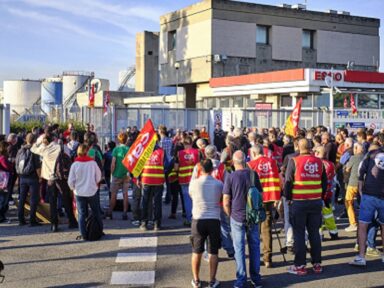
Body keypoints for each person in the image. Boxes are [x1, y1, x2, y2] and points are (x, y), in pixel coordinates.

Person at [284, 139, 327, 275]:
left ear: (298, 147)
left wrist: (289, 198)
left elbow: (288, 182)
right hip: (315, 202)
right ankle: (317, 264)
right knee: (314, 233)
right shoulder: (319, 162)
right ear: (310, 148)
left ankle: (300, 265)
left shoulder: (294, 161)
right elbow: (324, 182)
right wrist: (320, 197)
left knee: (299, 234)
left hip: (299, 202)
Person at [223, 150, 263, 288]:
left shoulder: (230, 177)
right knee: (255, 247)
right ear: (245, 162)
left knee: (239, 248)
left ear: (234, 162)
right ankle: (256, 278)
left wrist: (230, 215)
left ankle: (241, 280)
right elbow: (260, 195)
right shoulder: (253, 174)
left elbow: (226, 200)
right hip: (253, 217)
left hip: (237, 217)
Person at [191, 145, 235, 259]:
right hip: (219, 200)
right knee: (224, 226)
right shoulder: (222, 167)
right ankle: (230, 249)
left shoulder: (199, 167)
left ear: (205, 154)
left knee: (204, 229)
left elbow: (193, 183)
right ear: (216, 153)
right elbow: (227, 184)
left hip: (203, 201)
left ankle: (207, 253)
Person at [349, 133, 384, 266]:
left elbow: (360, 173)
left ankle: (361, 256)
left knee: (363, 225)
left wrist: (361, 192)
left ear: (379, 141)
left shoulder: (371, 154)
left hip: (369, 195)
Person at [189, 159, 223, 288]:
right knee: (213, 252)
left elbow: (191, 196)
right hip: (214, 219)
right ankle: (212, 280)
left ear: (199, 169)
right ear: (212, 169)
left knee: (196, 251)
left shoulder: (193, 184)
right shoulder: (219, 184)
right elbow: (221, 198)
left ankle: (196, 280)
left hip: (198, 218)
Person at [248, 144, 281, 268]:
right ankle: (267, 258)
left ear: (254, 153)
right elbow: (277, 179)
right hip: (270, 197)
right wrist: (277, 197)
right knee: (266, 228)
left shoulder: (251, 164)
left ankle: (255, 259)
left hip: (256, 199)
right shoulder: (272, 162)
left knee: (254, 228)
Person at [68, 144, 102, 241]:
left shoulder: (75, 164)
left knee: (82, 214)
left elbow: (70, 181)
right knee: (96, 212)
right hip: (92, 191)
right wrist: (95, 184)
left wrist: (73, 189)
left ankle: (83, 234)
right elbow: (99, 176)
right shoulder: (93, 163)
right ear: (86, 152)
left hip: (79, 192)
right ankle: (99, 230)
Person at [31, 130, 62, 232]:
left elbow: (33, 148)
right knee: (65, 199)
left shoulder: (43, 150)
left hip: (50, 178)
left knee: (52, 201)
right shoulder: (58, 147)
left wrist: (39, 140)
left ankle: (54, 224)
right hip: (61, 177)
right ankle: (72, 220)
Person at [16, 133, 41, 226]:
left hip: (22, 177)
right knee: (33, 199)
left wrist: (18, 177)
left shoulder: (20, 150)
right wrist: (40, 177)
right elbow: (37, 166)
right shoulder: (35, 151)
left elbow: (17, 164)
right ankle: (32, 220)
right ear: (34, 141)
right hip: (32, 177)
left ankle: (21, 219)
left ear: (26, 140)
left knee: (22, 198)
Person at [140, 143, 167, 231]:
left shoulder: (143, 151)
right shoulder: (162, 152)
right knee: (157, 202)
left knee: (145, 201)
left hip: (146, 179)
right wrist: (163, 174)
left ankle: (144, 223)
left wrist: (137, 177)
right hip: (158, 180)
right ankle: (157, 224)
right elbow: (167, 166)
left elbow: (138, 166)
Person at [314, 146, 338, 240]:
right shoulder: (331, 164)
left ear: (317, 153)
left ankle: (319, 234)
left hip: (318, 193)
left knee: (317, 215)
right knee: (329, 214)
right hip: (328, 193)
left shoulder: (316, 164)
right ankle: (333, 232)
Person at [174, 136, 200, 227]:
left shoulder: (179, 153)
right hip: (196, 180)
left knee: (187, 200)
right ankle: (197, 218)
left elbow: (176, 168)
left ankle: (189, 219)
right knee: (196, 199)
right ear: (192, 143)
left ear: (184, 144)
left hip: (184, 179)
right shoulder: (197, 152)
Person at [106, 132, 130, 220]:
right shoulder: (129, 149)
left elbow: (113, 163)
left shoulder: (116, 150)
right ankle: (124, 213)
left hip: (116, 174)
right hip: (126, 174)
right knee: (125, 194)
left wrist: (112, 173)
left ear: (119, 140)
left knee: (113, 194)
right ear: (126, 140)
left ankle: (110, 212)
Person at [344, 142, 364, 232]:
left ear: (356, 149)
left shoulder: (353, 157)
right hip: (362, 183)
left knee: (348, 202)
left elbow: (347, 169)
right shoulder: (366, 157)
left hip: (352, 183)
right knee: (362, 204)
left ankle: (353, 223)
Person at [0, 141, 12, 223]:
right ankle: (1, 216)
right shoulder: (3, 157)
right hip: (4, 180)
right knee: (3, 199)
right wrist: (12, 164)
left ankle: (2, 216)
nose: (9, 148)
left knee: (3, 198)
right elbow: (7, 167)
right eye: (8, 146)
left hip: (3, 179)